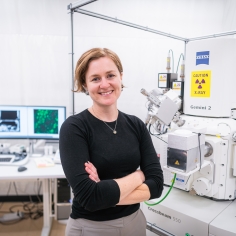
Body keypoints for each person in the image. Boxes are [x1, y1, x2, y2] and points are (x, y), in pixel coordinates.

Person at [59, 48, 164, 236]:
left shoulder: (136, 125)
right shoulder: (74, 128)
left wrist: (104, 192)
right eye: (95, 78)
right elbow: (89, 198)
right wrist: (139, 176)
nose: (104, 84)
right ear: (85, 83)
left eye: (110, 75)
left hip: (135, 222)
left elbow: (156, 185)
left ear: (120, 77)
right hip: (91, 227)